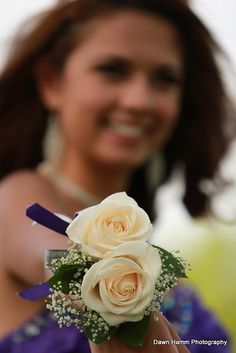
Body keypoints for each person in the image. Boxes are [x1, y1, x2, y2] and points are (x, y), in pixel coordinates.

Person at [0, 0, 233, 352]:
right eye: (112, 69)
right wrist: (105, 299)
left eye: (164, 79)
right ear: (52, 83)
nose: (140, 100)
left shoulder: (173, 283)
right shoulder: (21, 198)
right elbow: (48, 256)